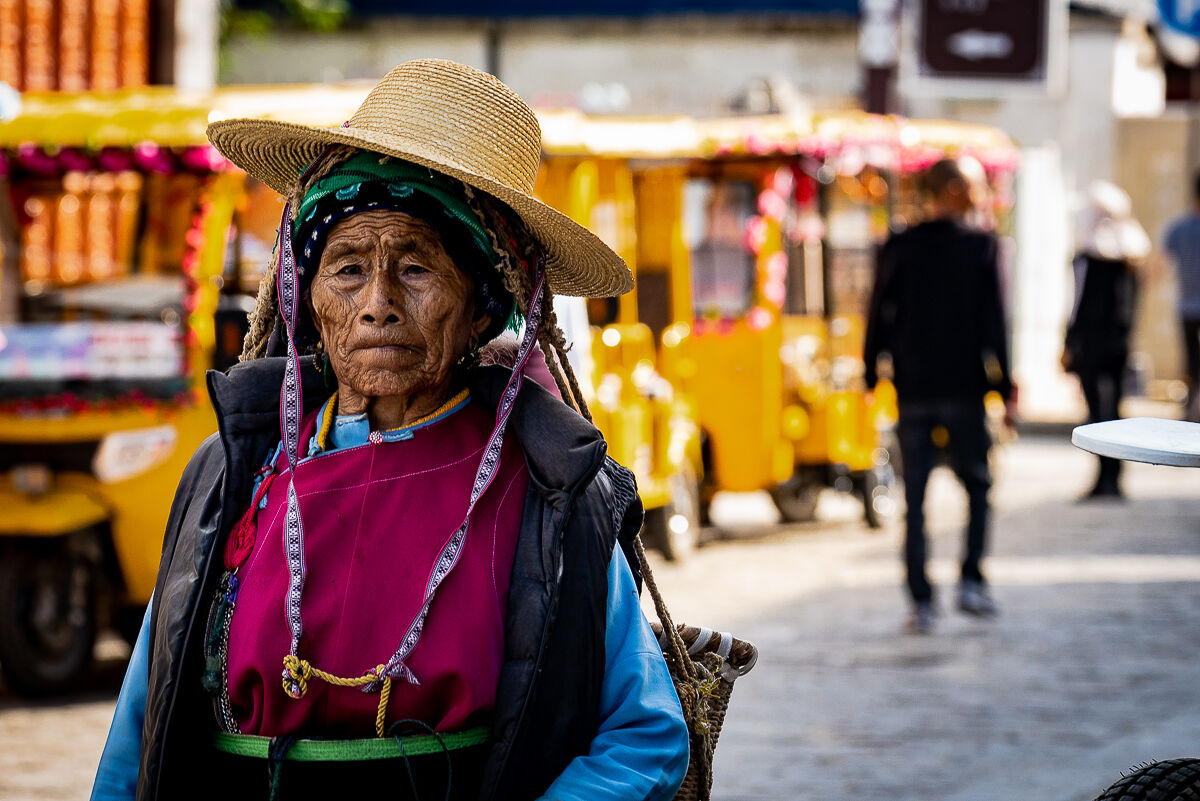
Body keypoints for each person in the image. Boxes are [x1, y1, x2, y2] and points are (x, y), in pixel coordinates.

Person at [91, 59, 689, 801]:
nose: (377, 303)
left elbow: (646, 735)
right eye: (346, 269)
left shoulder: (549, 490)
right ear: (307, 300)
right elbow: (141, 730)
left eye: (415, 267)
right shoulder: (236, 471)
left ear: (480, 310)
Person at [863, 158, 1013, 634]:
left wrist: (872, 369)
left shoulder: (901, 244)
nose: (981, 192)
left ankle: (922, 600)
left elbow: (879, 312)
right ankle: (970, 580)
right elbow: (996, 320)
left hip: (914, 386)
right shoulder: (982, 246)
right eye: (974, 185)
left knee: (918, 495)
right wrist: (1005, 384)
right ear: (951, 189)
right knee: (978, 486)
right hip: (963, 387)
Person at [1062, 181, 1149, 499]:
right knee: (1111, 409)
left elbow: (1078, 304)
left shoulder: (1092, 258)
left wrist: (1070, 343)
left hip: (1095, 347)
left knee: (1101, 414)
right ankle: (1110, 476)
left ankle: (1107, 477)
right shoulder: (1129, 259)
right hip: (1117, 347)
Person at [1163, 171, 1200, 421]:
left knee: (1192, 362)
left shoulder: (1180, 228)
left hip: (1187, 306)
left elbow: (1159, 263)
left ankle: (1191, 409)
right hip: (1188, 306)